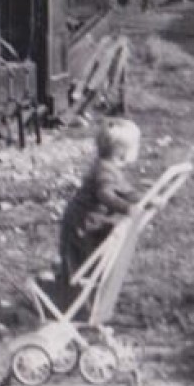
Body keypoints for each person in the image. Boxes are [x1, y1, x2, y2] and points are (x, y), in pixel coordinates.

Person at [57, 117, 141, 302]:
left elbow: (125, 191)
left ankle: (86, 294)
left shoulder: (110, 167)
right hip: (83, 223)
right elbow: (105, 194)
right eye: (136, 147)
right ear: (122, 152)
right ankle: (75, 296)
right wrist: (127, 208)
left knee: (96, 257)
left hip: (93, 220)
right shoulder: (104, 170)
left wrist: (143, 200)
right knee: (87, 259)